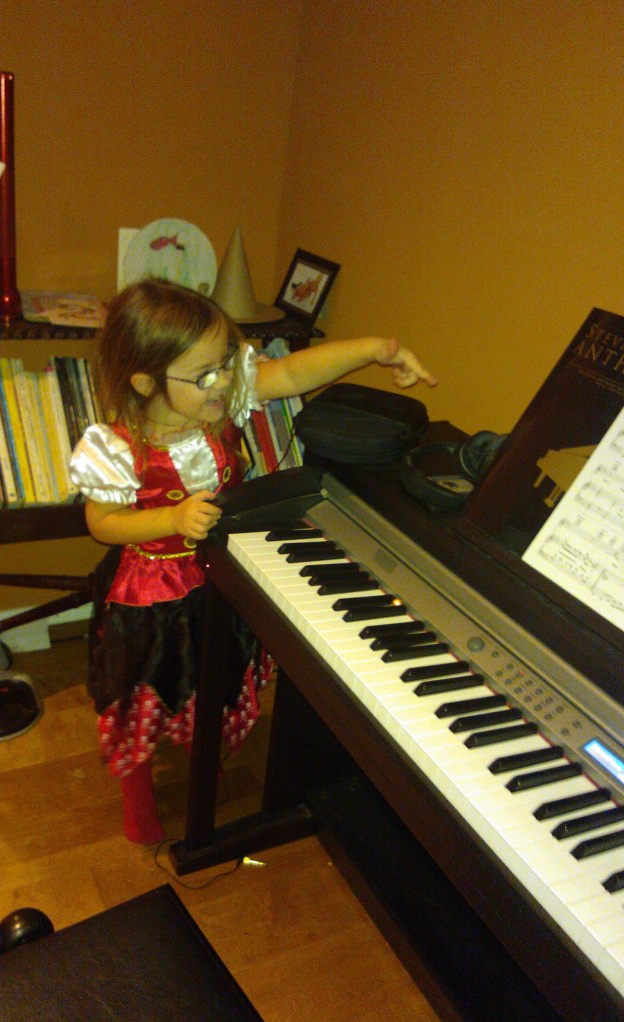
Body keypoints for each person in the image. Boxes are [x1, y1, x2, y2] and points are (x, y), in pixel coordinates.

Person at [69, 277, 437, 843]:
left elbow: (287, 375)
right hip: (151, 592)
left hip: (221, 573)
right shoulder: (116, 446)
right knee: (147, 687)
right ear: (145, 381)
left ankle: (206, 755)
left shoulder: (216, 407)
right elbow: (102, 523)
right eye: (203, 375)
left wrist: (376, 350)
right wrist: (170, 518)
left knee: (215, 674)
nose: (222, 382)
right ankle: (136, 790)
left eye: (224, 364)